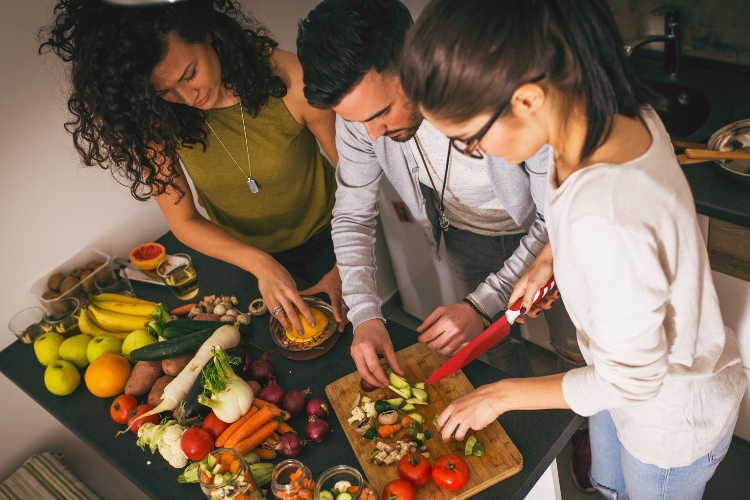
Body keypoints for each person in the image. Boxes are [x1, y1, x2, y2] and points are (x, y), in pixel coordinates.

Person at [400, 0, 747, 498]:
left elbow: (634, 381)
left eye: (469, 139)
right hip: (615, 385)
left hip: (668, 420)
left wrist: (499, 396)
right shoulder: (608, 112)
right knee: (606, 485)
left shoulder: (607, 218)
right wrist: (551, 257)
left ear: (526, 100)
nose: (477, 153)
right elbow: (587, 222)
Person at [296, 0, 582, 386]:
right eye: (354, 121)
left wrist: (482, 305)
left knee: (577, 342)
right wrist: (365, 313)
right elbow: (351, 216)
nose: (373, 135)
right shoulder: (361, 122)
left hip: (561, 229)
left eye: (380, 113)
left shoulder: (502, 90)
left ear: (413, 62)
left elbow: (558, 215)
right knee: (489, 345)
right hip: (469, 233)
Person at [40, 0, 347, 333]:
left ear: (208, 34)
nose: (187, 97)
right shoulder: (153, 117)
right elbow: (183, 219)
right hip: (240, 253)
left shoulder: (291, 79)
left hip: (331, 237)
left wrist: (346, 265)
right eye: (165, 90)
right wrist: (260, 264)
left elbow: (357, 180)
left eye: (190, 75)